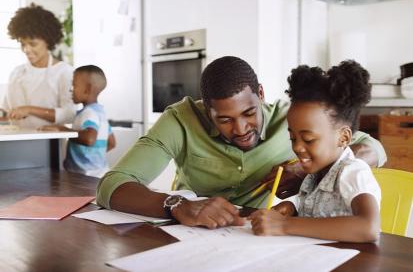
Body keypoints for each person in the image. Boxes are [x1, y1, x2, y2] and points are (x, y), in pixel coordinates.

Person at [96, 56, 386, 230]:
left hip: (253, 235)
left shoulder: (294, 120)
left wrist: (307, 170)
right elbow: (111, 185)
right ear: (205, 108)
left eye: (250, 113)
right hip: (189, 234)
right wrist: (176, 205)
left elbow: (372, 149)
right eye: (223, 119)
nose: (241, 129)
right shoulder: (181, 119)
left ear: (260, 93)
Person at [248, 60, 381, 242]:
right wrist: (291, 207)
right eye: (293, 138)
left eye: (308, 139)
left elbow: (369, 228)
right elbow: (314, 206)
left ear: (343, 137)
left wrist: (284, 226)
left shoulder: (352, 171)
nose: (297, 147)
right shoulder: (315, 174)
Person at [1, 4, 76, 128]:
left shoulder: (64, 72)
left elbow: (70, 114)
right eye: (23, 44)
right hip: (17, 139)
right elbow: (6, 111)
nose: (26, 50)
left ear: (48, 41)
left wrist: (29, 109)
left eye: (33, 44)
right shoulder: (16, 73)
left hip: (49, 143)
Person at [41, 65, 116, 177]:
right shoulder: (100, 113)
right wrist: (94, 157)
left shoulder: (88, 113)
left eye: (74, 85)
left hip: (84, 175)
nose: (71, 89)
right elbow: (112, 143)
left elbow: (89, 139)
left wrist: (62, 130)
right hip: (100, 173)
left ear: (87, 89)